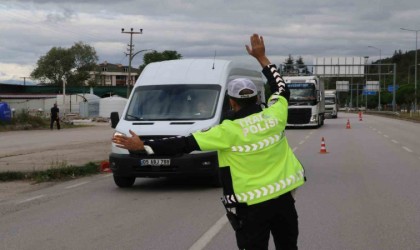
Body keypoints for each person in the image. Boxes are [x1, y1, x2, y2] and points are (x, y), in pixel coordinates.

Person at [112, 33, 305, 250]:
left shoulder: (227, 131)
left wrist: (145, 146)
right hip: (284, 201)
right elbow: (281, 88)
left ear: (232, 102)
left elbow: (184, 143)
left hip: (250, 207)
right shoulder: (275, 116)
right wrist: (262, 58)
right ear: (257, 98)